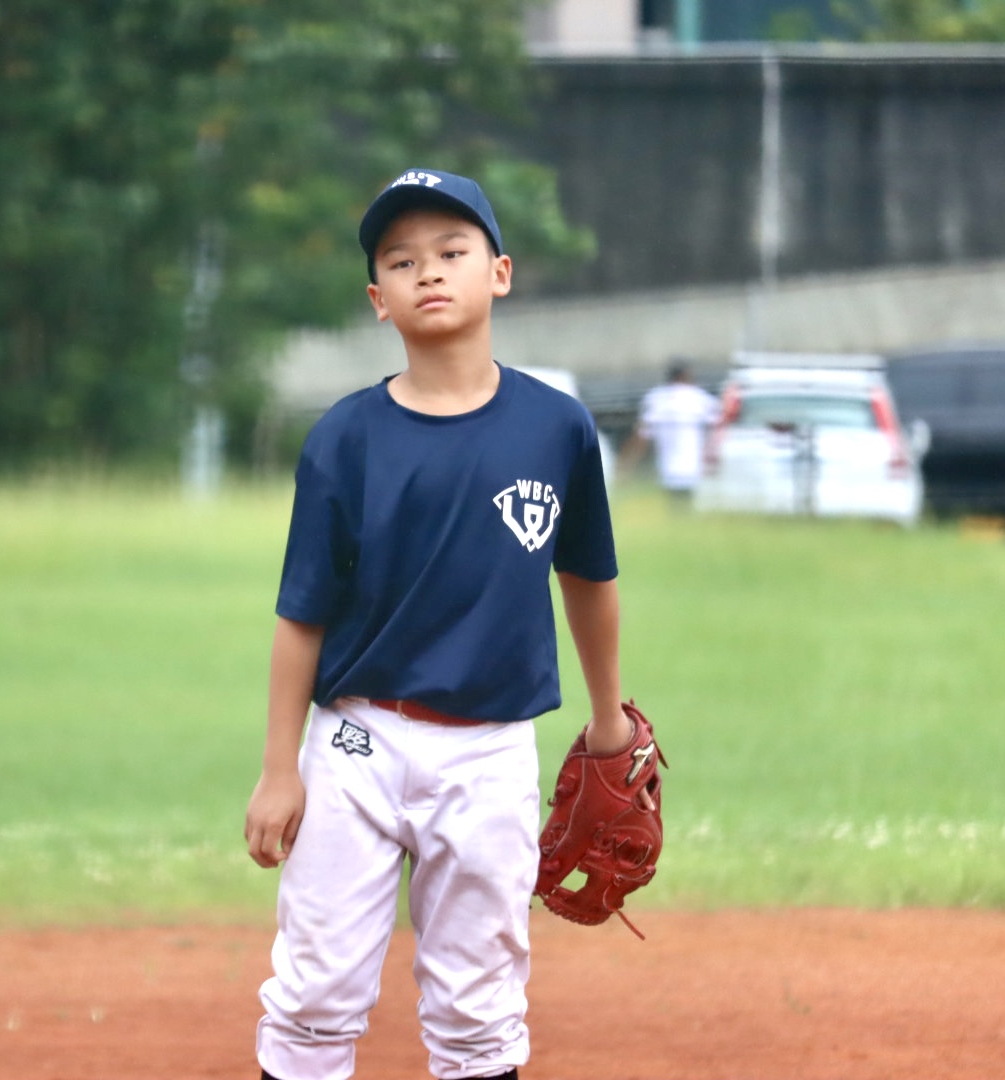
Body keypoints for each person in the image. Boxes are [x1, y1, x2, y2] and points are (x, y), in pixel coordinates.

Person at [243, 168, 632, 1080]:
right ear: (378, 299)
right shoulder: (346, 437)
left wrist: (609, 718)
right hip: (357, 745)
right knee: (312, 994)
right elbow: (301, 614)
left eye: (452, 252)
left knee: (479, 1009)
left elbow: (588, 578)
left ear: (500, 272)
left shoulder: (556, 428)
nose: (428, 271)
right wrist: (278, 769)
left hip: (490, 751)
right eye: (401, 260)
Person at [626, 358, 720, 499]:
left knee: (672, 504)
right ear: (685, 376)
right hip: (695, 469)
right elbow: (718, 426)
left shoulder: (656, 398)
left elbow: (642, 435)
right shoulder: (700, 398)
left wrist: (628, 464)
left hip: (666, 470)